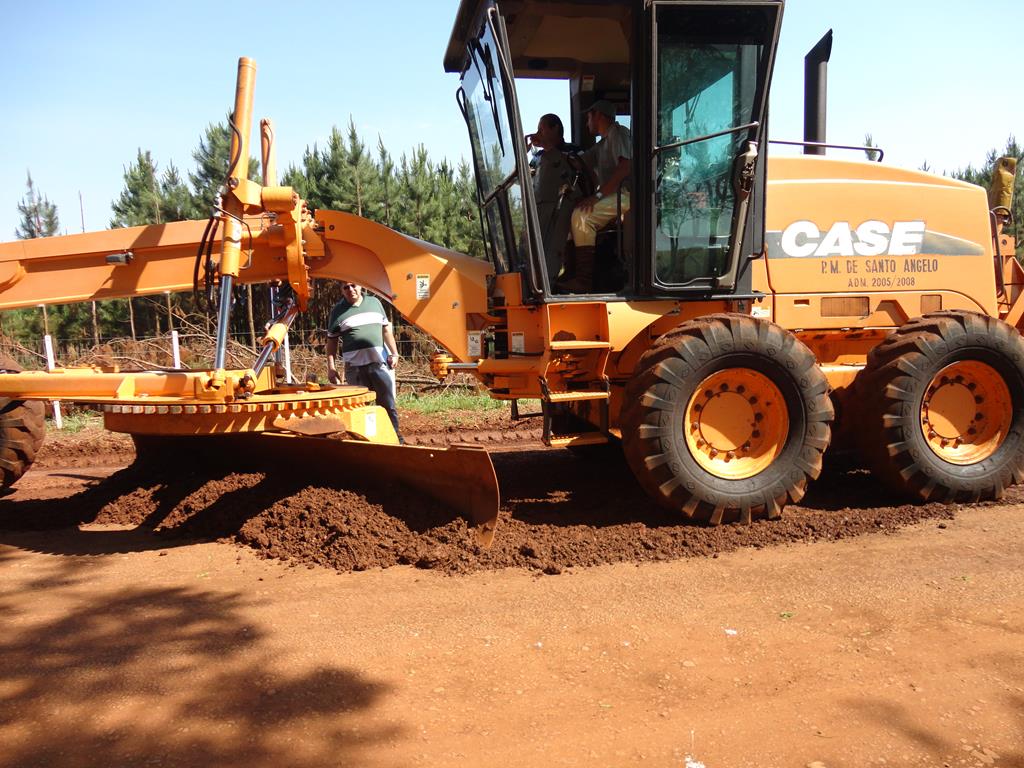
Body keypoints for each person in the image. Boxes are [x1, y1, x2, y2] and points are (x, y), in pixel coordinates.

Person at [325, 282, 404, 443]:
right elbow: (331, 341)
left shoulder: (375, 303)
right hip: (354, 369)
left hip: (378, 364)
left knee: (387, 403)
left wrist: (394, 353)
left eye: (353, 285)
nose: (350, 290)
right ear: (341, 290)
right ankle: (367, 441)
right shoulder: (338, 311)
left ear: (361, 286)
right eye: (345, 287)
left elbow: (386, 330)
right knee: (360, 407)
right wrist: (331, 367)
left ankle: (395, 437)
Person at [568, 99, 632, 292]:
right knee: (570, 216)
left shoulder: (618, 133)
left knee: (582, 216)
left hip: (628, 195)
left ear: (598, 115)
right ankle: (571, 274)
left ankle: (584, 281)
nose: (587, 122)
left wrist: (596, 196)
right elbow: (578, 161)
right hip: (616, 196)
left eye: (588, 116)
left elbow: (626, 167)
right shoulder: (602, 144)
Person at [526, 113, 584, 286]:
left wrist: (549, 148)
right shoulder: (537, 157)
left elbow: (581, 172)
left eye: (541, 129)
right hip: (540, 209)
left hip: (563, 209)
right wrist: (522, 153)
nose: (537, 133)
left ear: (555, 129)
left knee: (553, 249)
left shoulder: (573, 151)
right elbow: (521, 178)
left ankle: (547, 284)